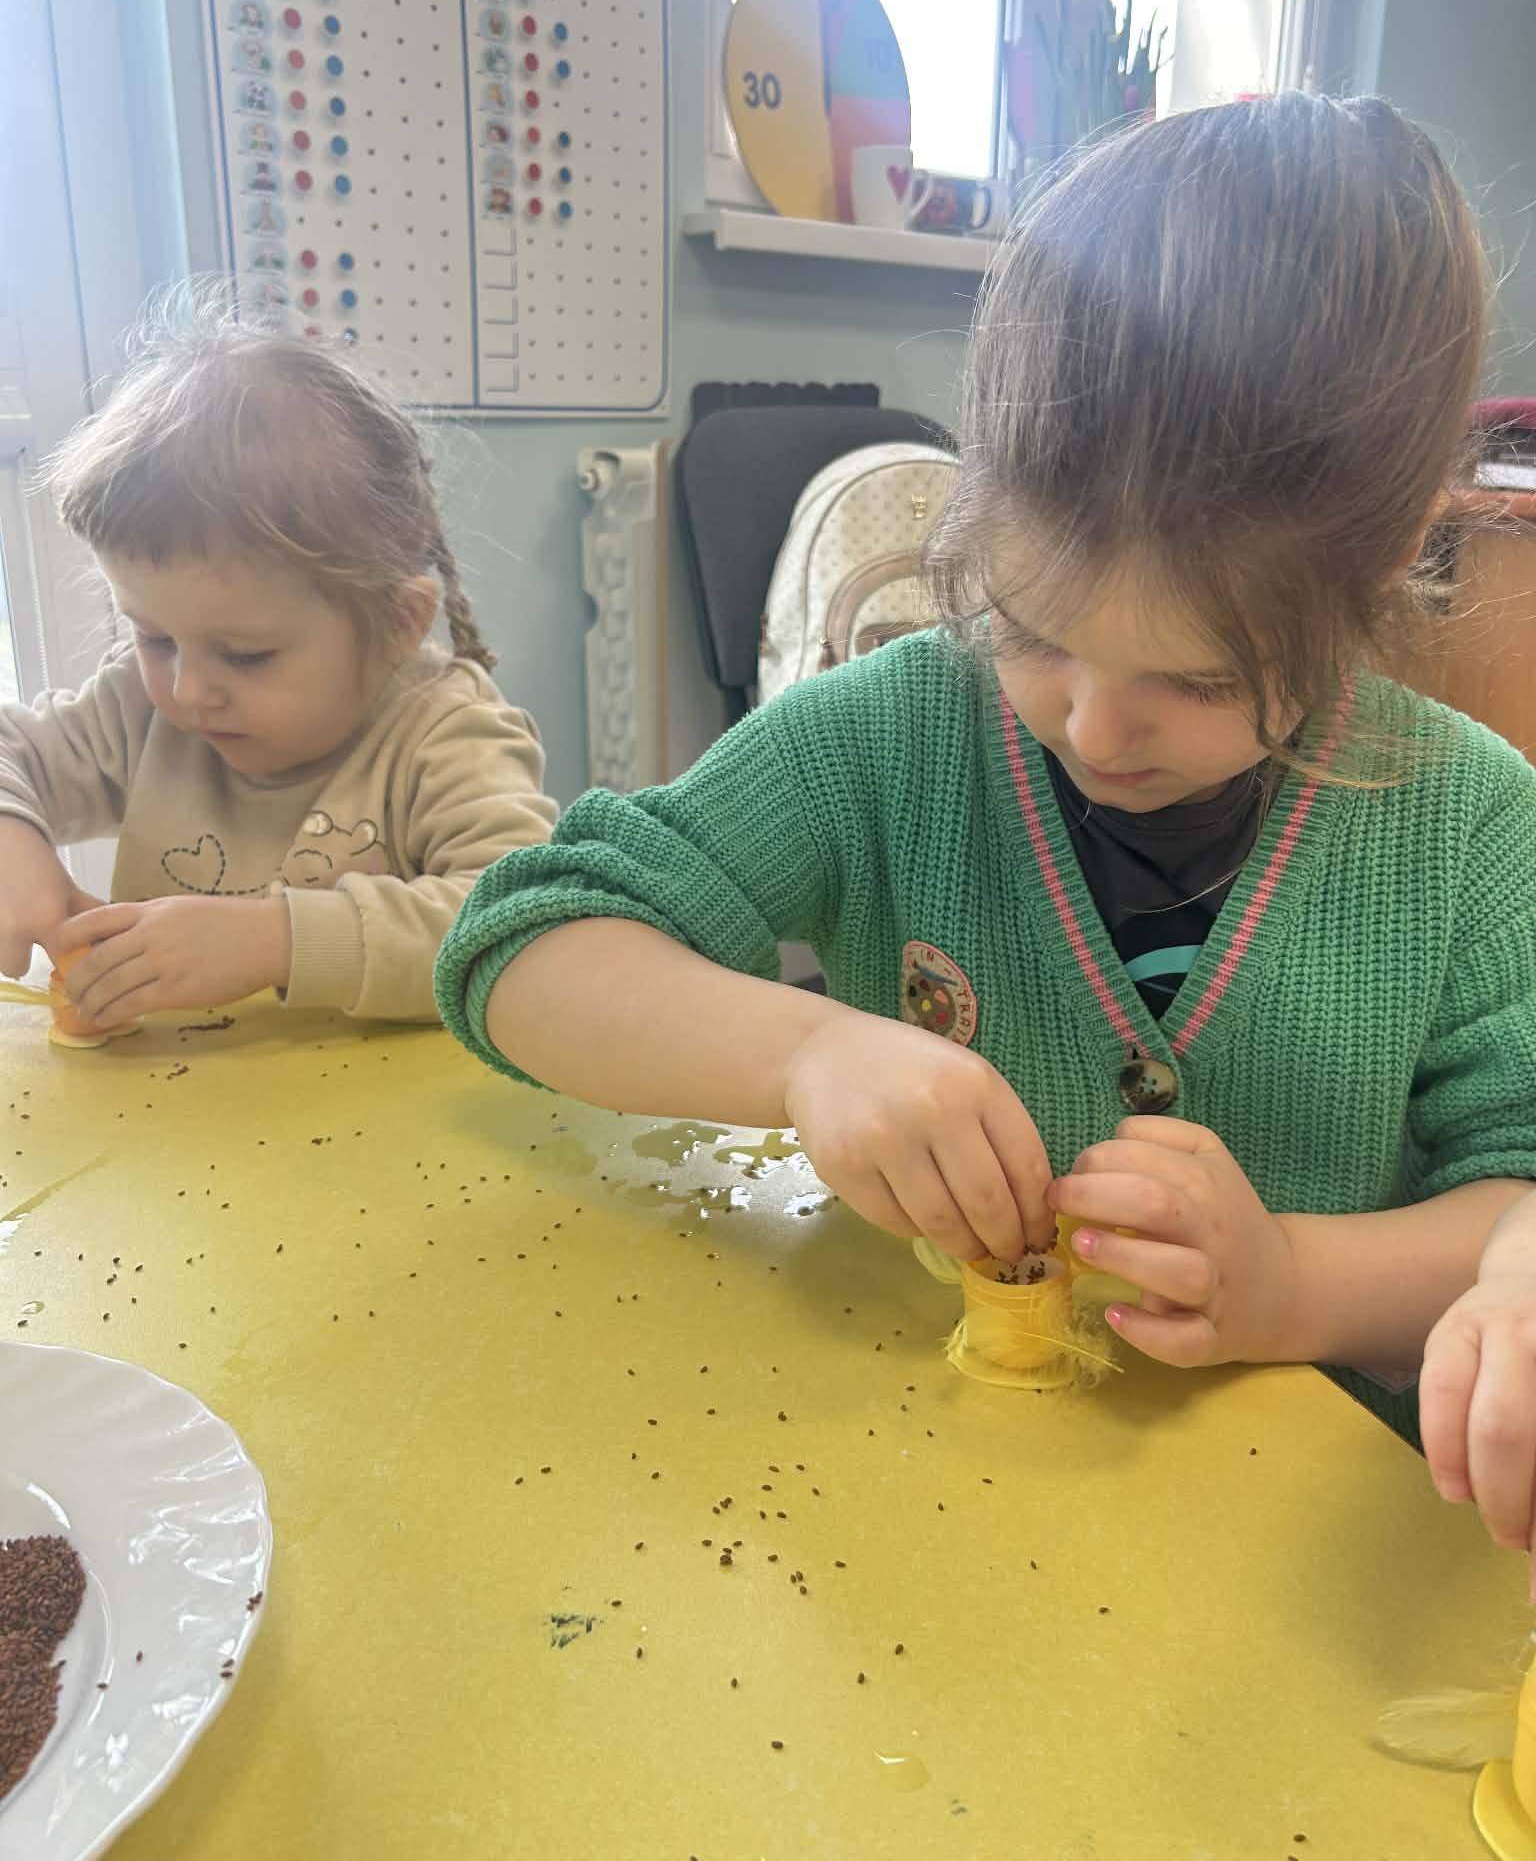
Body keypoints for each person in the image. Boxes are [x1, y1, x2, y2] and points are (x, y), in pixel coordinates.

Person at [434, 94, 1536, 1573]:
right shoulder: (898, 735)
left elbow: (1517, 1207)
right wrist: (806, 1050)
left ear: (1392, 557)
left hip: (1290, 1566)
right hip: (917, 1512)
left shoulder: (1469, 827)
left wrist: (1293, 1281)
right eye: (1032, 630)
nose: (1092, 725)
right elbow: (520, 945)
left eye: (1201, 679)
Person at [0, 295, 555, 1025]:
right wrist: (12, 838)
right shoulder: (138, 710)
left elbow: (519, 925)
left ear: (396, 625)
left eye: (246, 655)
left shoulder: (449, 735)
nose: (188, 690)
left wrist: (277, 942)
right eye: (154, 638)